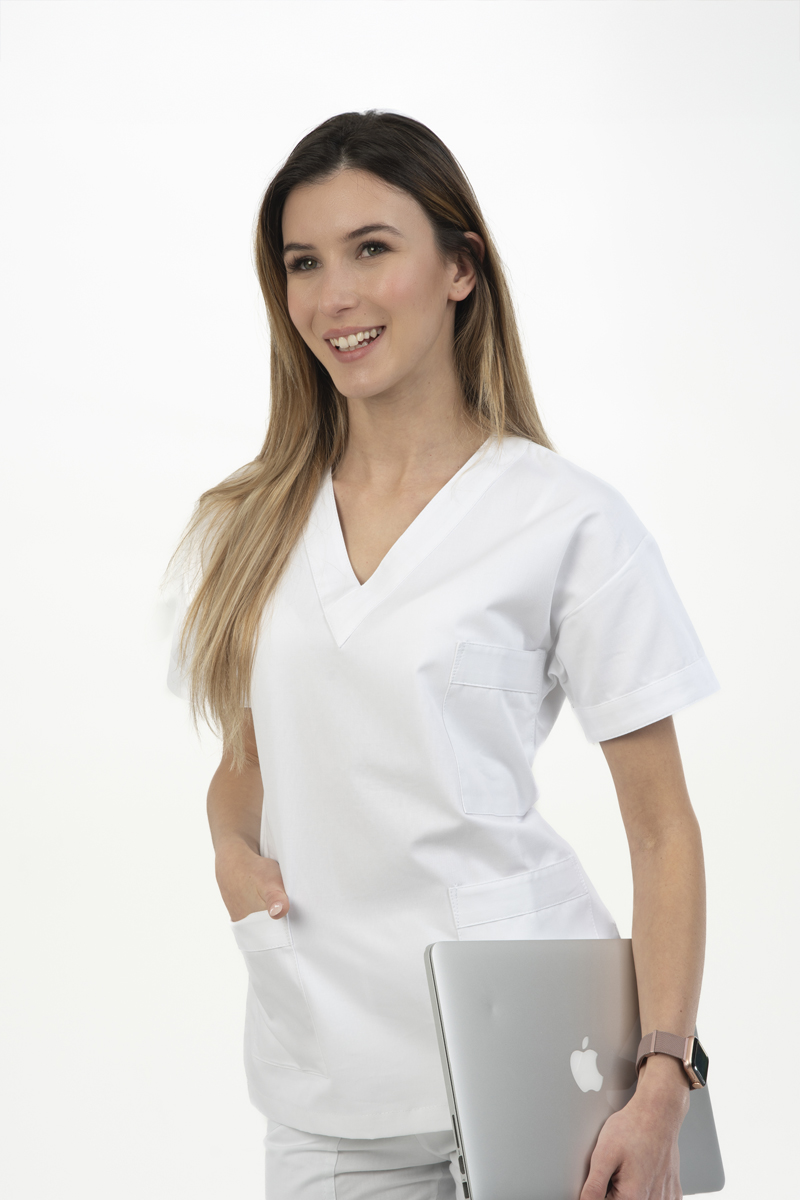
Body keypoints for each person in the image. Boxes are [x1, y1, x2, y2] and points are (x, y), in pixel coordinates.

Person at [168, 110, 718, 1200]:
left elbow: (661, 828)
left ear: (460, 268)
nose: (335, 297)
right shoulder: (253, 522)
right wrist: (231, 848)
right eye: (303, 263)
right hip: (324, 1077)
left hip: (541, 1070)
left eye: (372, 249)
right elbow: (246, 762)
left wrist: (662, 1079)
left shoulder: (566, 521)